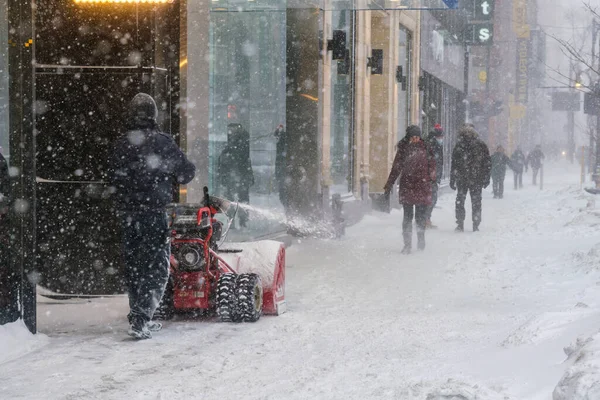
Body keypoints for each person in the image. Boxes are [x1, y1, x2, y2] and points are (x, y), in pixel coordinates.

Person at [109, 93, 196, 340]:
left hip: (128, 216)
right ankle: (142, 319)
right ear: (153, 115)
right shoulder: (162, 143)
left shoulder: (121, 144)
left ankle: (137, 315)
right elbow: (186, 172)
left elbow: (113, 179)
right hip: (153, 214)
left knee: (134, 266)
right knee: (156, 268)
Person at [384, 125, 436, 254]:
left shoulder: (426, 147)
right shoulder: (403, 149)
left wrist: (432, 178)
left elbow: (432, 165)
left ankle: (421, 241)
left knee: (420, 217)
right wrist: (389, 185)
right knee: (407, 217)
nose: (415, 139)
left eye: (417, 137)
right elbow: (396, 168)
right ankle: (407, 244)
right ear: (409, 137)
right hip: (407, 186)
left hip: (422, 186)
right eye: (413, 137)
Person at [450, 124, 491, 232]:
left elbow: (454, 164)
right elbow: (487, 162)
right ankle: (475, 224)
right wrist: (486, 177)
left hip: (463, 178)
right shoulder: (481, 145)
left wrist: (453, 178)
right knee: (476, 202)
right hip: (476, 178)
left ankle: (460, 223)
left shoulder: (459, 145)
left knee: (460, 201)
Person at [218, 123, 254, 228]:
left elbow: (245, 159)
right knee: (236, 198)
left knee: (237, 198)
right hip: (236, 174)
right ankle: (237, 220)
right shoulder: (238, 142)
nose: (231, 132)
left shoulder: (239, 142)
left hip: (238, 174)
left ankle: (238, 220)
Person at [425, 124, 444, 229]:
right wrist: (434, 175)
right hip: (430, 176)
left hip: (431, 176)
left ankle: (424, 219)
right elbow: (434, 162)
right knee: (431, 198)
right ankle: (425, 219)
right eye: (441, 137)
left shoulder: (433, 144)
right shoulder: (433, 145)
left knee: (430, 198)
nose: (442, 139)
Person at [273, 124, 289, 211]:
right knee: (283, 195)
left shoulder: (282, 143)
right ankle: (288, 213)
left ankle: (289, 213)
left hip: (283, 172)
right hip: (282, 172)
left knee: (284, 195)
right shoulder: (281, 144)